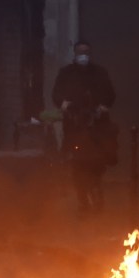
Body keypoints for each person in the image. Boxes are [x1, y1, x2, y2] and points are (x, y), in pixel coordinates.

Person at [51, 40, 117, 215]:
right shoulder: (66, 73)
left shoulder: (99, 73)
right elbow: (56, 94)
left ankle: (96, 194)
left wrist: (102, 107)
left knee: (96, 164)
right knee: (77, 165)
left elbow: (110, 95)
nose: (83, 55)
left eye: (86, 52)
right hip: (74, 128)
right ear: (74, 53)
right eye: (80, 52)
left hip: (96, 129)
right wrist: (66, 105)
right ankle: (83, 201)